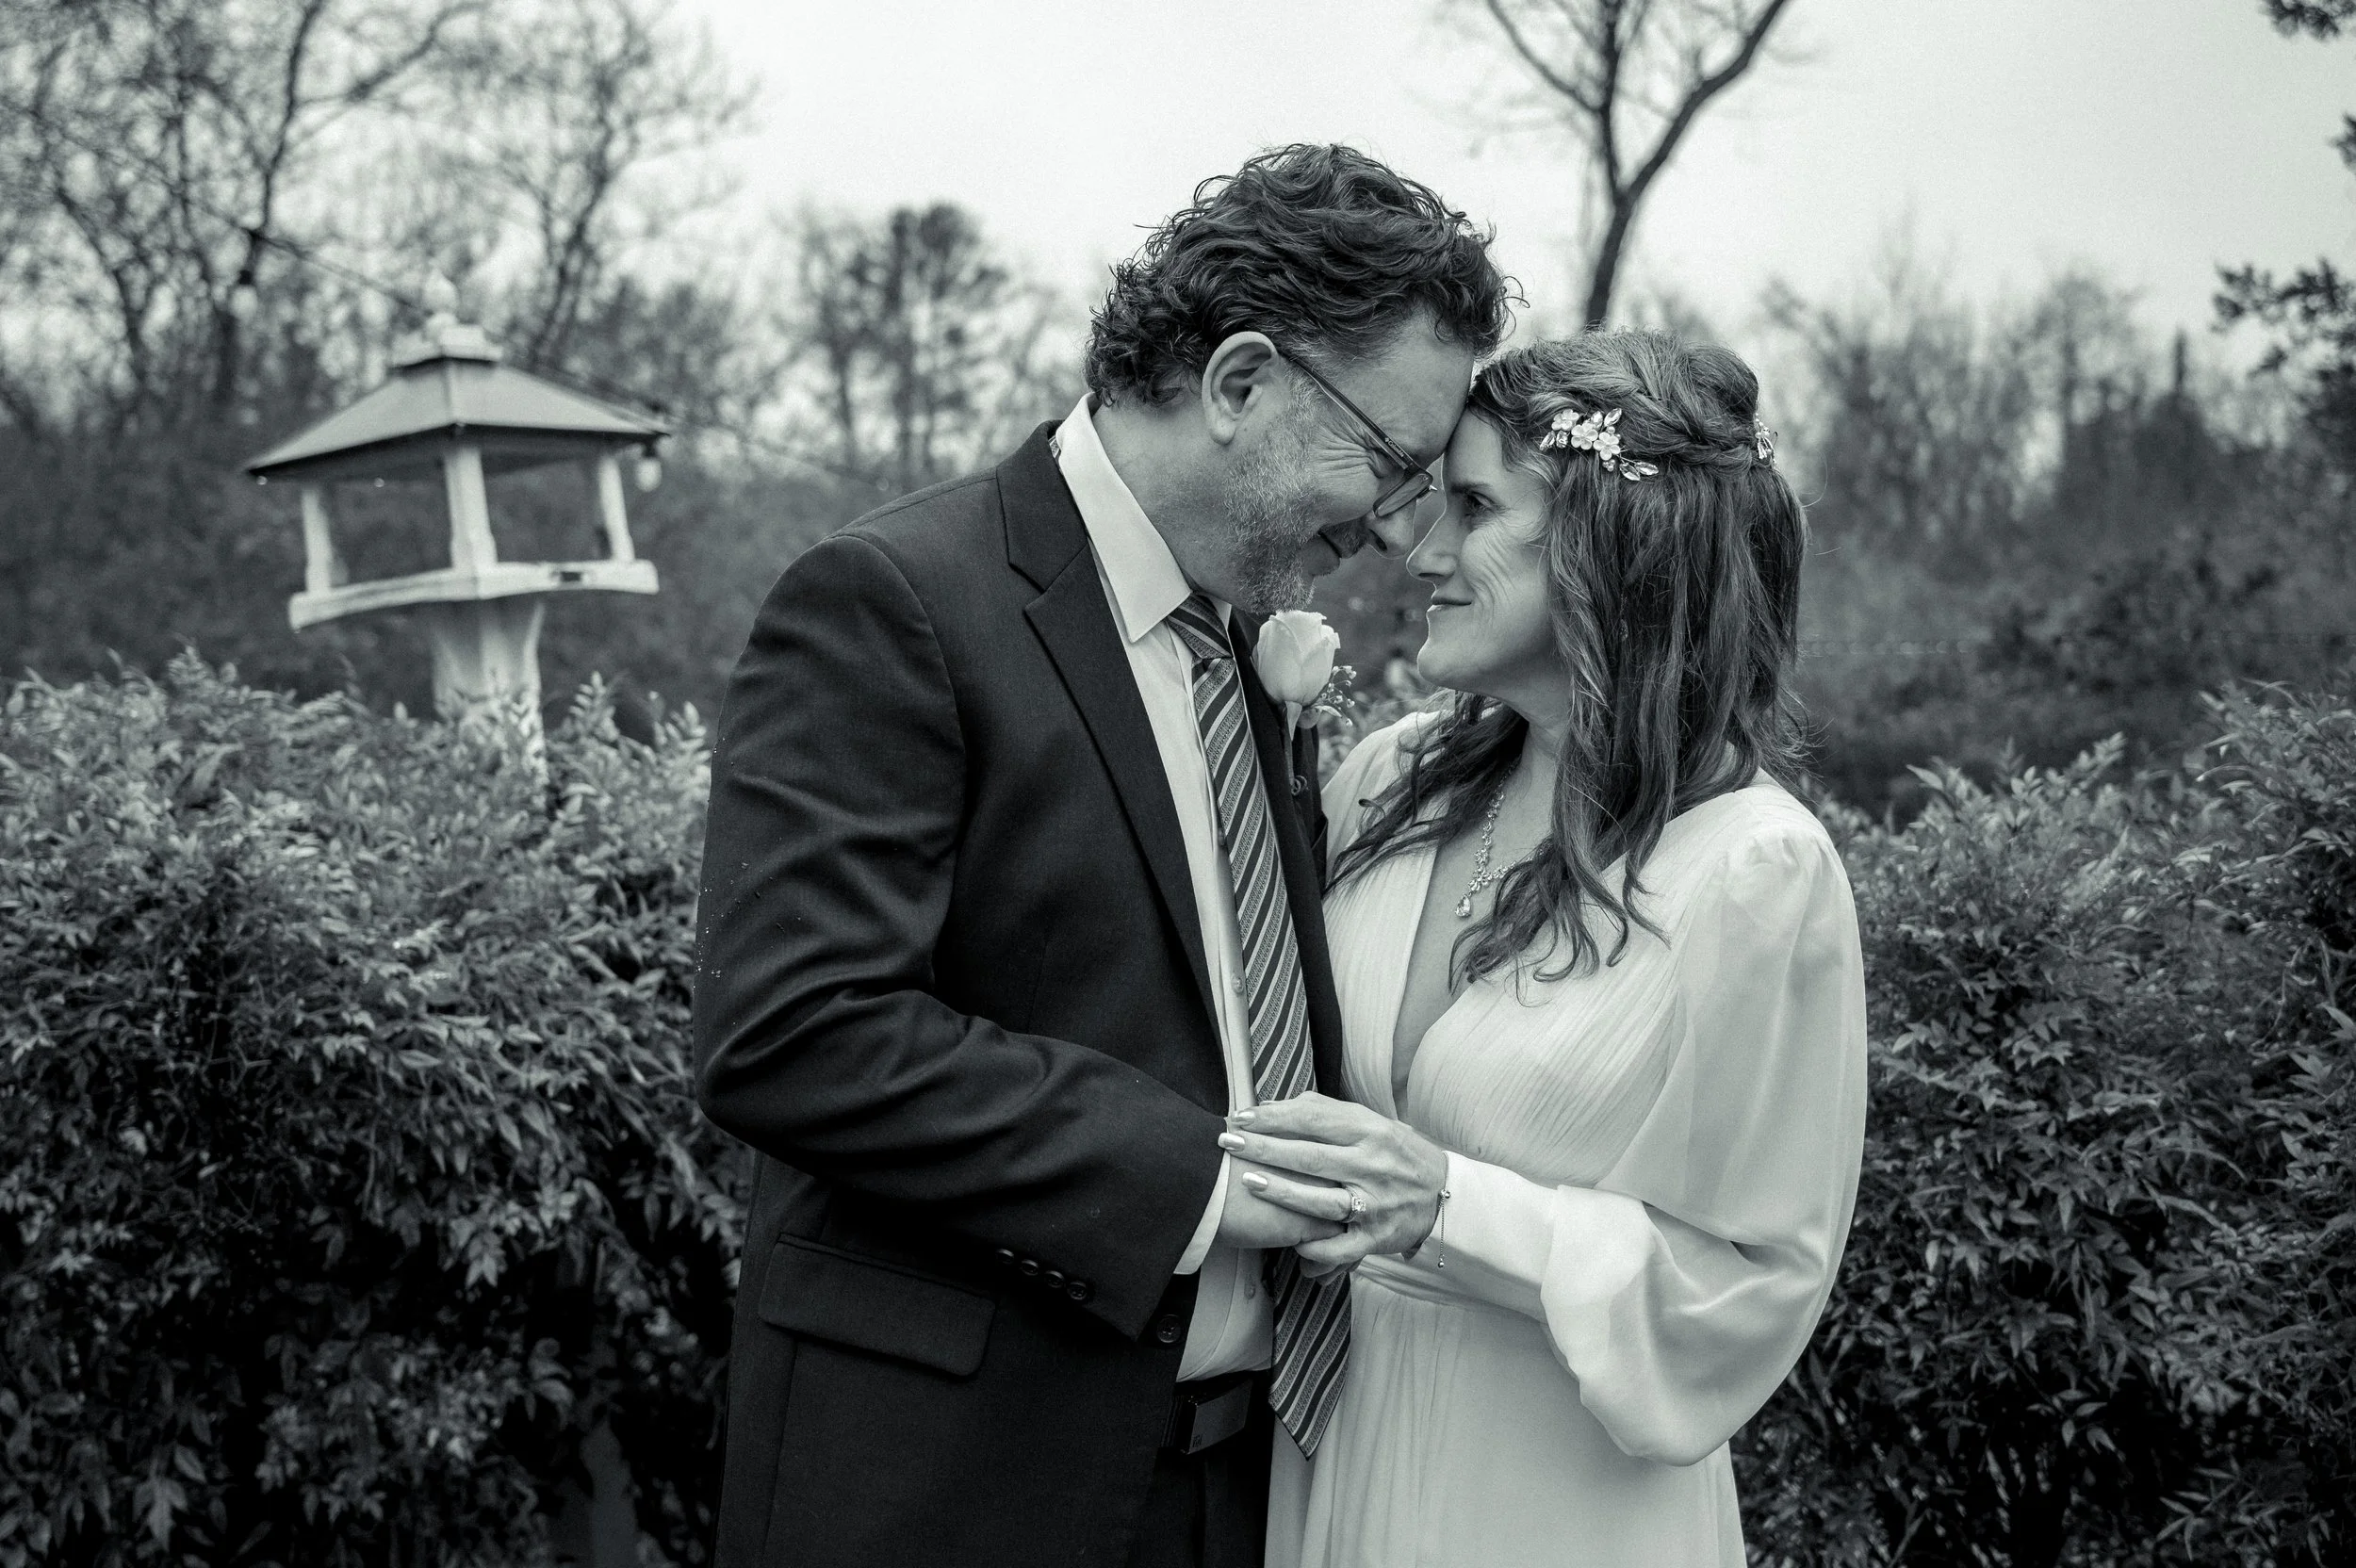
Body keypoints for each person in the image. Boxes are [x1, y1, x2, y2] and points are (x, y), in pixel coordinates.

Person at [691, 143, 1513, 1568]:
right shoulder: (896, 603)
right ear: (1239, 383)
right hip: (952, 1487)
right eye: (1387, 463)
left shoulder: (1244, 645)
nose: (1390, 530)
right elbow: (794, 1032)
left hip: (1238, 1486)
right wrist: (1194, 1178)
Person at [1228, 331, 1871, 1567]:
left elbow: (1751, 1289)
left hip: (1551, 1492)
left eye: (1472, 508)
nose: (1414, 549)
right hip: (1323, 1446)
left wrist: (1451, 1209)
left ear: (1603, 548)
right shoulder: (1386, 782)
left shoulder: (1752, 873)